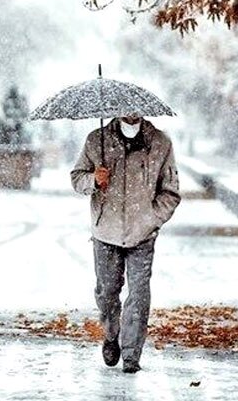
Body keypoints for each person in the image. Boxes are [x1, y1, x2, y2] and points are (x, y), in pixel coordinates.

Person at [70, 114, 180, 373]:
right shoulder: (96, 140)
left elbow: (171, 191)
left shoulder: (161, 144)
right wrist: (94, 180)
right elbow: (77, 178)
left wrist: (152, 218)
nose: (130, 115)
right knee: (107, 293)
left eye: (135, 110)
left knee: (139, 294)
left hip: (142, 234)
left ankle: (131, 354)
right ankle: (111, 334)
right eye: (124, 109)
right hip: (105, 231)